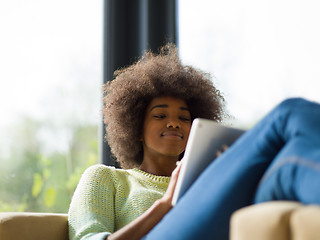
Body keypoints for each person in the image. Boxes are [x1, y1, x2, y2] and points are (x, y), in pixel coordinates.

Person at [68, 44, 320, 240]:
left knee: (286, 167)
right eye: (159, 115)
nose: (174, 123)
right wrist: (166, 204)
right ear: (135, 128)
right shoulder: (106, 178)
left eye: (184, 118)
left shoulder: (204, 178)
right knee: (289, 113)